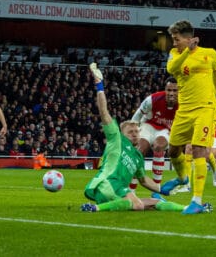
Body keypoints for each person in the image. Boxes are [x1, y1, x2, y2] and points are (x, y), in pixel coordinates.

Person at [81, 63, 195, 213]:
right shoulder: (117, 139)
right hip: (107, 183)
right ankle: (95, 208)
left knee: (154, 202)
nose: (135, 133)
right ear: (122, 133)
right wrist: (100, 87)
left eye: (136, 131)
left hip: (117, 189)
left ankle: (189, 208)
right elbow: (104, 112)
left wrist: (162, 188)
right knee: (138, 205)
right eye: (131, 131)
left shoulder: (137, 158)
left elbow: (144, 180)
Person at [159, 20, 216, 214]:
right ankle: (182, 178)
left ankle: (197, 201)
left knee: (199, 150)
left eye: (177, 39)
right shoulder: (175, 55)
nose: (174, 43)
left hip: (205, 109)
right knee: (173, 151)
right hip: (184, 110)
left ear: (189, 38)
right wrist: (187, 52)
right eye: (173, 39)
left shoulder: (210, 53)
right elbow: (172, 70)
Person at [130, 77, 178, 188]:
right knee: (140, 150)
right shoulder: (152, 99)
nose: (171, 93)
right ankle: (130, 190)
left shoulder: (185, 104)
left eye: (175, 90)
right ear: (165, 89)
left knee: (159, 146)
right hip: (148, 125)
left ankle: (156, 189)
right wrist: (131, 134)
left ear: (180, 91)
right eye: (169, 90)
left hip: (166, 129)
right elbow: (137, 116)